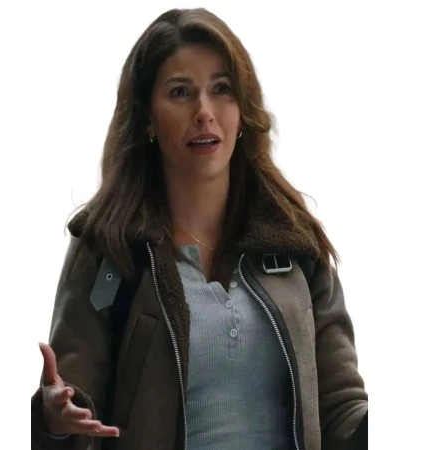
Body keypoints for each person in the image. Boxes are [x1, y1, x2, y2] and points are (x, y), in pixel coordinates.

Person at [31, 7, 368, 450]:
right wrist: (53, 419)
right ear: (148, 118)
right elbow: (73, 398)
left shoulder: (296, 247)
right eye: (180, 92)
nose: (204, 111)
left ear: (242, 111)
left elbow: (343, 410)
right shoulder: (110, 250)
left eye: (221, 89)